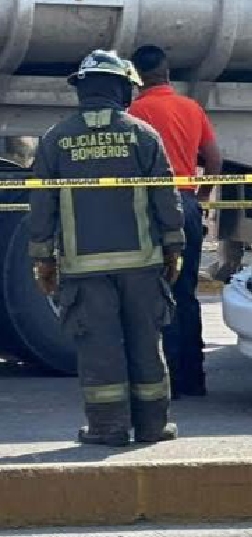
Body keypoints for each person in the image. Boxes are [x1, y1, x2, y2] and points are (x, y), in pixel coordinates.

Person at [29, 50, 185, 446]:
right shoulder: (142, 135)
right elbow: (166, 199)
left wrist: (42, 260)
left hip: (84, 271)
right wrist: (173, 247)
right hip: (142, 266)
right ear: (124, 89)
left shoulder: (56, 139)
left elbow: (42, 205)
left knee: (100, 349)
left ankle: (108, 428)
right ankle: (152, 427)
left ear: (82, 90)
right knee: (146, 345)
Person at [129, 44, 223, 399]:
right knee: (186, 293)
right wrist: (200, 198)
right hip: (186, 203)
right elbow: (214, 159)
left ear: (137, 78)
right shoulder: (191, 108)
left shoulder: (135, 112)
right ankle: (194, 379)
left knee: (158, 292)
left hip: (152, 209)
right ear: (167, 73)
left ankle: (166, 381)